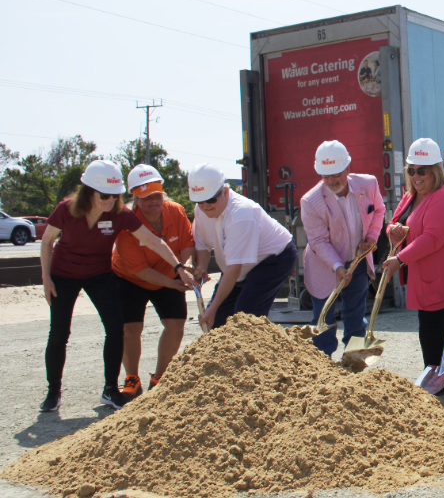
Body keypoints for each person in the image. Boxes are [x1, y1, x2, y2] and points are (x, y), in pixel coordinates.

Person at [39, 160, 195, 411]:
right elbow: (47, 241)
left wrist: (178, 267)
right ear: (89, 191)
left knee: (115, 329)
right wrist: (46, 279)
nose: (111, 200)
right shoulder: (66, 209)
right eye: (105, 195)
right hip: (64, 274)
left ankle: (110, 390)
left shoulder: (120, 214)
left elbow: (153, 241)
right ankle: (53, 392)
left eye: (115, 195)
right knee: (59, 334)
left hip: (99, 275)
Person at [382, 138, 444, 391]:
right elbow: (394, 223)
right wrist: (393, 231)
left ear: (435, 170)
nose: (416, 176)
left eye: (421, 170)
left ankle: (434, 383)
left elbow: (432, 239)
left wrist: (399, 259)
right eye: (411, 170)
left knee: (431, 327)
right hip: (427, 276)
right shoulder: (411, 195)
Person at [112, 164, 196, 398]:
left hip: (170, 272)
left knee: (176, 324)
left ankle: (160, 377)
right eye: (146, 196)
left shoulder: (176, 211)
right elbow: (140, 270)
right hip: (130, 278)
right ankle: (132, 379)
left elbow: (187, 244)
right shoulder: (125, 224)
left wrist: (186, 267)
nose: (153, 200)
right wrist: (173, 282)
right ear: (135, 198)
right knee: (130, 328)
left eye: (157, 194)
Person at [299, 140, 386, 356]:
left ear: (347, 168)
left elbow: (378, 210)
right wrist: (337, 266)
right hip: (323, 265)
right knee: (324, 316)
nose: (331, 181)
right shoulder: (310, 201)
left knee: (355, 313)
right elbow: (318, 241)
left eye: (336, 174)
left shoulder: (368, 184)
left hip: (357, 260)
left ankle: (354, 359)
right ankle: (322, 362)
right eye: (325, 176)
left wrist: (371, 237)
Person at [189, 163, 297, 329]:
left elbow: (234, 269)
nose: (205, 206)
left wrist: (212, 308)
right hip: (238, 266)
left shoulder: (241, 214)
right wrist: (201, 267)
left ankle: (259, 344)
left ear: (225, 192)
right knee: (217, 322)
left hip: (274, 259)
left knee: (245, 318)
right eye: (199, 201)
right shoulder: (201, 210)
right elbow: (202, 244)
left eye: (211, 199)